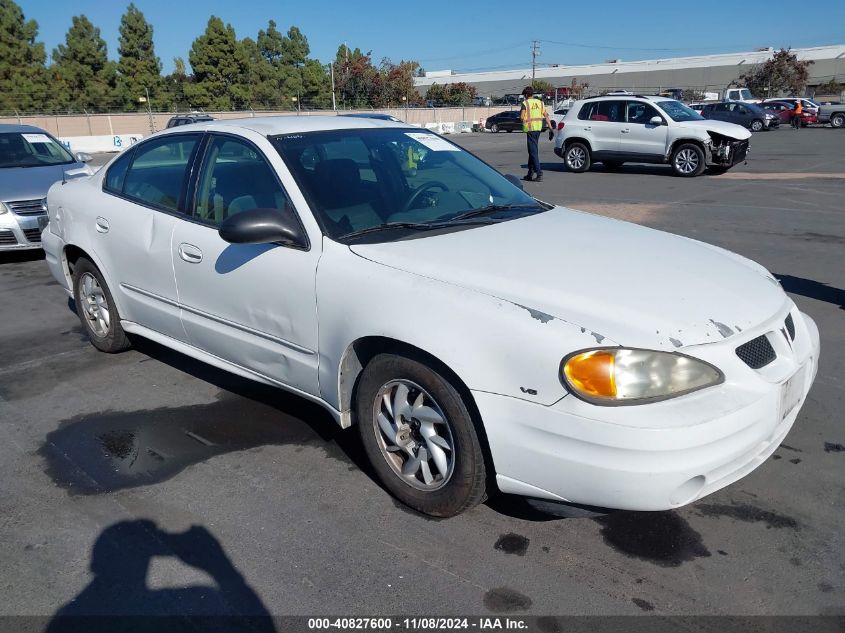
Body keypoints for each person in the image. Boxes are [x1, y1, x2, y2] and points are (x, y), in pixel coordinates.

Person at [519, 86, 554, 181]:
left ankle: (539, 173)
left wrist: (522, 118)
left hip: (530, 129)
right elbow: (546, 115)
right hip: (538, 129)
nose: (524, 97)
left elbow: (522, 117)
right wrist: (550, 128)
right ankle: (530, 174)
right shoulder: (540, 103)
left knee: (533, 152)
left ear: (526, 95)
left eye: (524, 95)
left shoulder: (525, 103)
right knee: (532, 151)